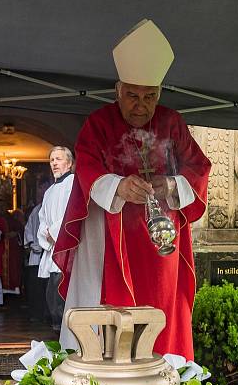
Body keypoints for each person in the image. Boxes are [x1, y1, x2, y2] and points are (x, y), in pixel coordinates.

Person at [53, 20, 210, 359]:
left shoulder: (172, 123)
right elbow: (89, 168)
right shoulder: (98, 123)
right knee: (113, 312)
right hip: (109, 238)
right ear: (117, 90)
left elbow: (199, 168)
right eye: (132, 96)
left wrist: (169, 183)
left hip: (161, 243)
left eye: (149, 97)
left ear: (160, 94)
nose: (141, 105)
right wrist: (120, 186)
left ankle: (163, 378)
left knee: (161, 309)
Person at [38, 146, 75, 332]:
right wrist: (46, 232)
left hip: (67, 248)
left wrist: (55, 232)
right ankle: (56, 330)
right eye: (52, 160)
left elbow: (73, 211)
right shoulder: (49, 191)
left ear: (69, 163)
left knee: (62, 293)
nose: (54, 163)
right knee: (51, 295)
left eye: (58, 159)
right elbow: (42, 217)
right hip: (52, 248)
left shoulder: (74, 183)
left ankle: (65, 335)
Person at [24, 178, 50, 322]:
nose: (43, 192)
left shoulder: (50, 208)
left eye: (45, 188)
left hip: (46, 253)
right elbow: (28, 230)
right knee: (35, 287)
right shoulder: (36, 210)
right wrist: (30, 245)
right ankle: (36, 314)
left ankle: (46, 314)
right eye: (40, 189)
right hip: (35, 255)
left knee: (46, 286)